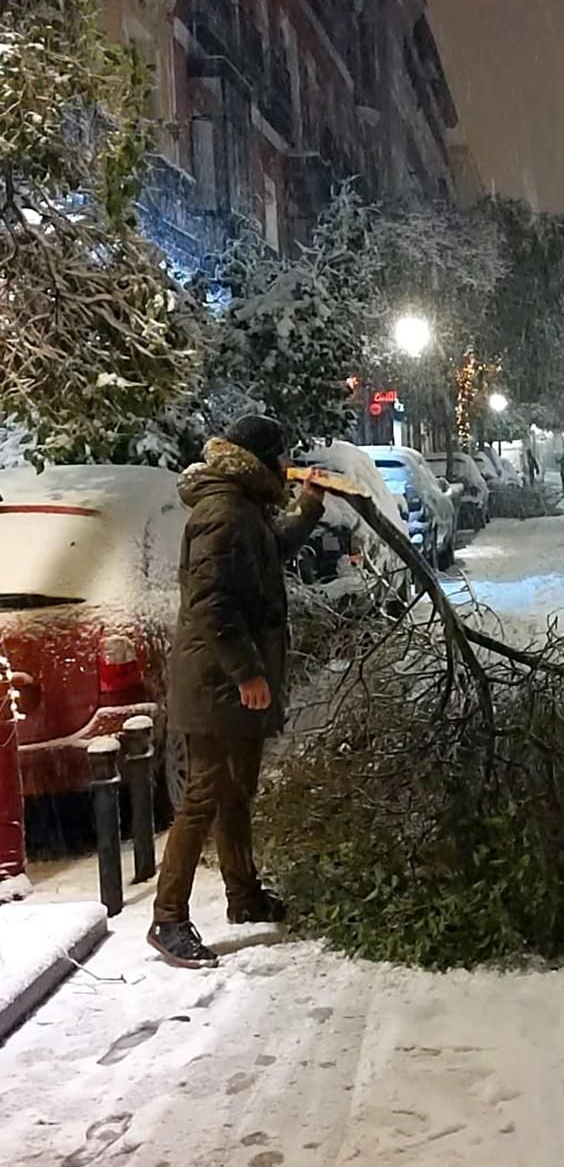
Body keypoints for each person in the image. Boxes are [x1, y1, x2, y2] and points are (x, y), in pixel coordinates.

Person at [148, 414, 324, 970]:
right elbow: (211, 602)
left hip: (229, 681)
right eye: (280, 458)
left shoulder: (242, 507)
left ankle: (243, 895)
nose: (283, 466)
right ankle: (168, 917)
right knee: (205, 793)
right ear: (260, 460)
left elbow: (270, 550)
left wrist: (309, 505)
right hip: (216, 683)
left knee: (236, 790)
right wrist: (247, 672)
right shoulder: (223, 511)